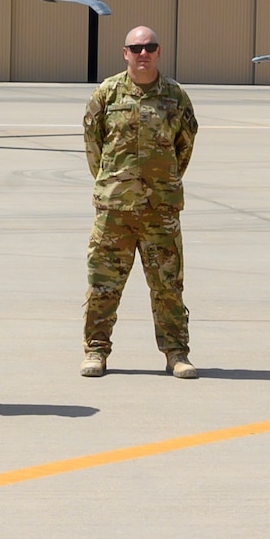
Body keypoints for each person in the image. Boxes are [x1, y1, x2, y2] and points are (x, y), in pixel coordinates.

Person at [79, 25, 200, 379]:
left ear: (159, 52)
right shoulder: (107, 94)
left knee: (168, 286)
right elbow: (93, 146)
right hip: (114, 211)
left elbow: (185, 147)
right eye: (136, 47)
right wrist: (112, 185)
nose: (143, 53)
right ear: (125, 52)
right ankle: (95, 351)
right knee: (103, 285)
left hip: (160, 211)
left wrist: (162, 182)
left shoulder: (175, 97)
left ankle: (176, 353)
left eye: (150, 47)